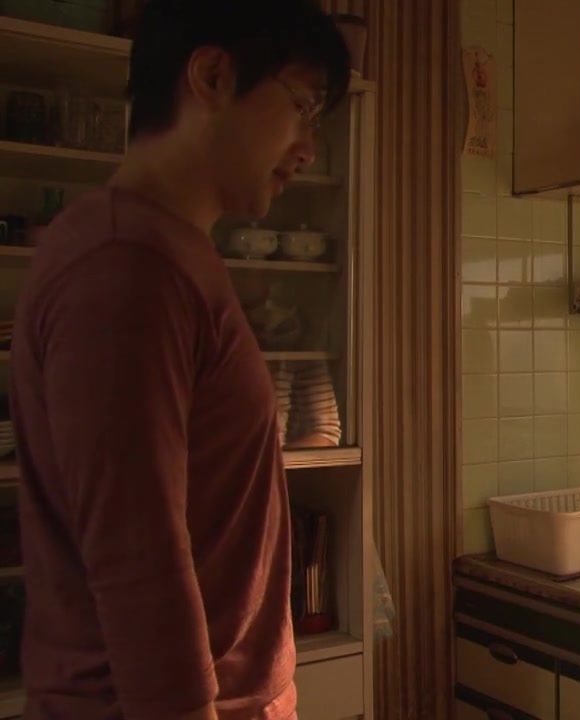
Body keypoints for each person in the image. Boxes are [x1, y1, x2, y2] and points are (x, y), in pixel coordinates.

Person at [9, 1, 349, 718]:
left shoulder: (164, 251)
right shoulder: (127, 264)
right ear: (214, 76)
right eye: (302, 106)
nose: (309, 148)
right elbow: (140, 567)